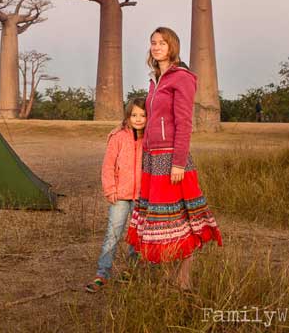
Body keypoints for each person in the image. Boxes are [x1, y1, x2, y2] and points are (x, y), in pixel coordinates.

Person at [127, 26, 222, 291]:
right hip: (152, 159)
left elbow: (184, 123)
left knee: (180, 219)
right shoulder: (154, 80)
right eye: (153, 42)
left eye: (162, 43)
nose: (156, 47)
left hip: (171, 159)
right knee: (162, 221)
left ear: (173, 47)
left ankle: (184, 279)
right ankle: (172, 276)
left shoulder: (182, 77)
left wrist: (178, 162)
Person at [85, 98, 147, 293]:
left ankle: (131, 270)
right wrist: (110, 189)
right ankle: (102, 274)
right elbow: (108, 166)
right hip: (120, 194)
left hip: (141, 196)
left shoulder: (150, 139)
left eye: (143, 115)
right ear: (127, 116)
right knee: (113, 234)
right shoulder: (118, 136)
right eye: (134, 115)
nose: (138, 119)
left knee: (137, 235)